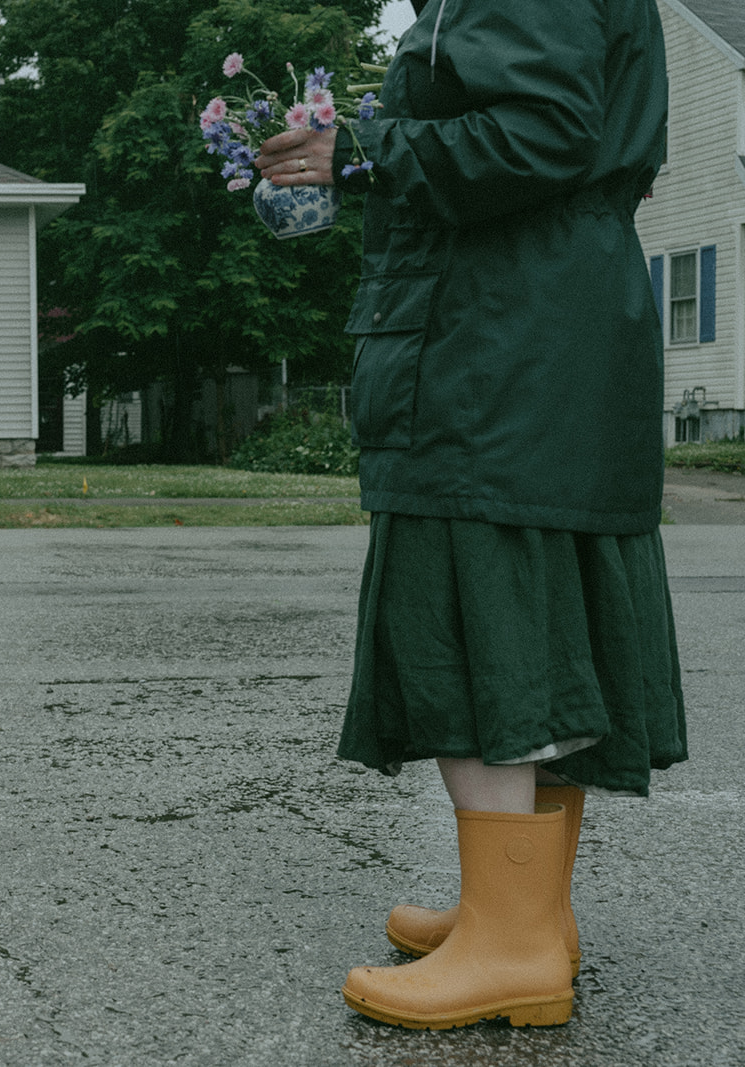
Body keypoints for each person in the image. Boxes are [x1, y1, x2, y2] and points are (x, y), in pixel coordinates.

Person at [253, 0, 687, 1030]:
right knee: (531, 620)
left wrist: (355, 147)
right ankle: (523, 912)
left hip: (498, 333)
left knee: (476, 612)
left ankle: (515, 943)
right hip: (541, 319)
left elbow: (540, 131)